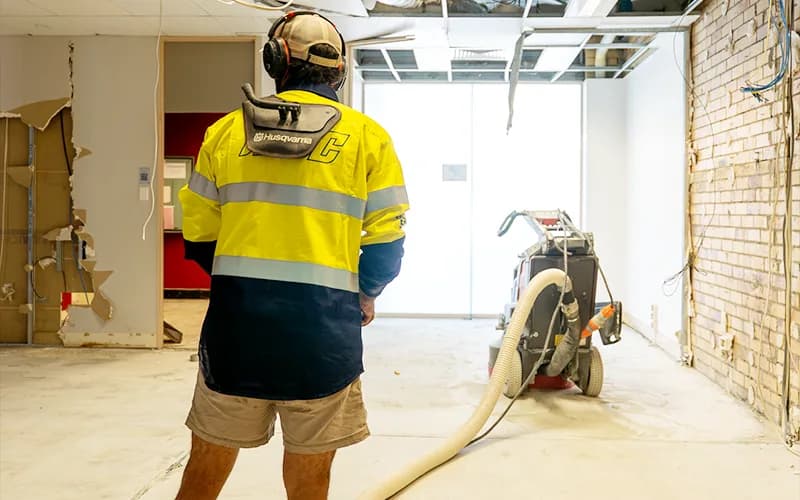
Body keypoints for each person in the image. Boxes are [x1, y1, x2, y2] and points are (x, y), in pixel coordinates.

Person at [175, 11, 408, 500]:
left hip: (236, 336)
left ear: (275, 61)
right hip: (322, 339)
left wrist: (240, 284)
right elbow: (386, 239)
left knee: (204, 469)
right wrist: (365, 294)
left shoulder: (224, 133)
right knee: (310, 481)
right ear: (339, 70)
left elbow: (197, 237)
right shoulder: (367, 137)